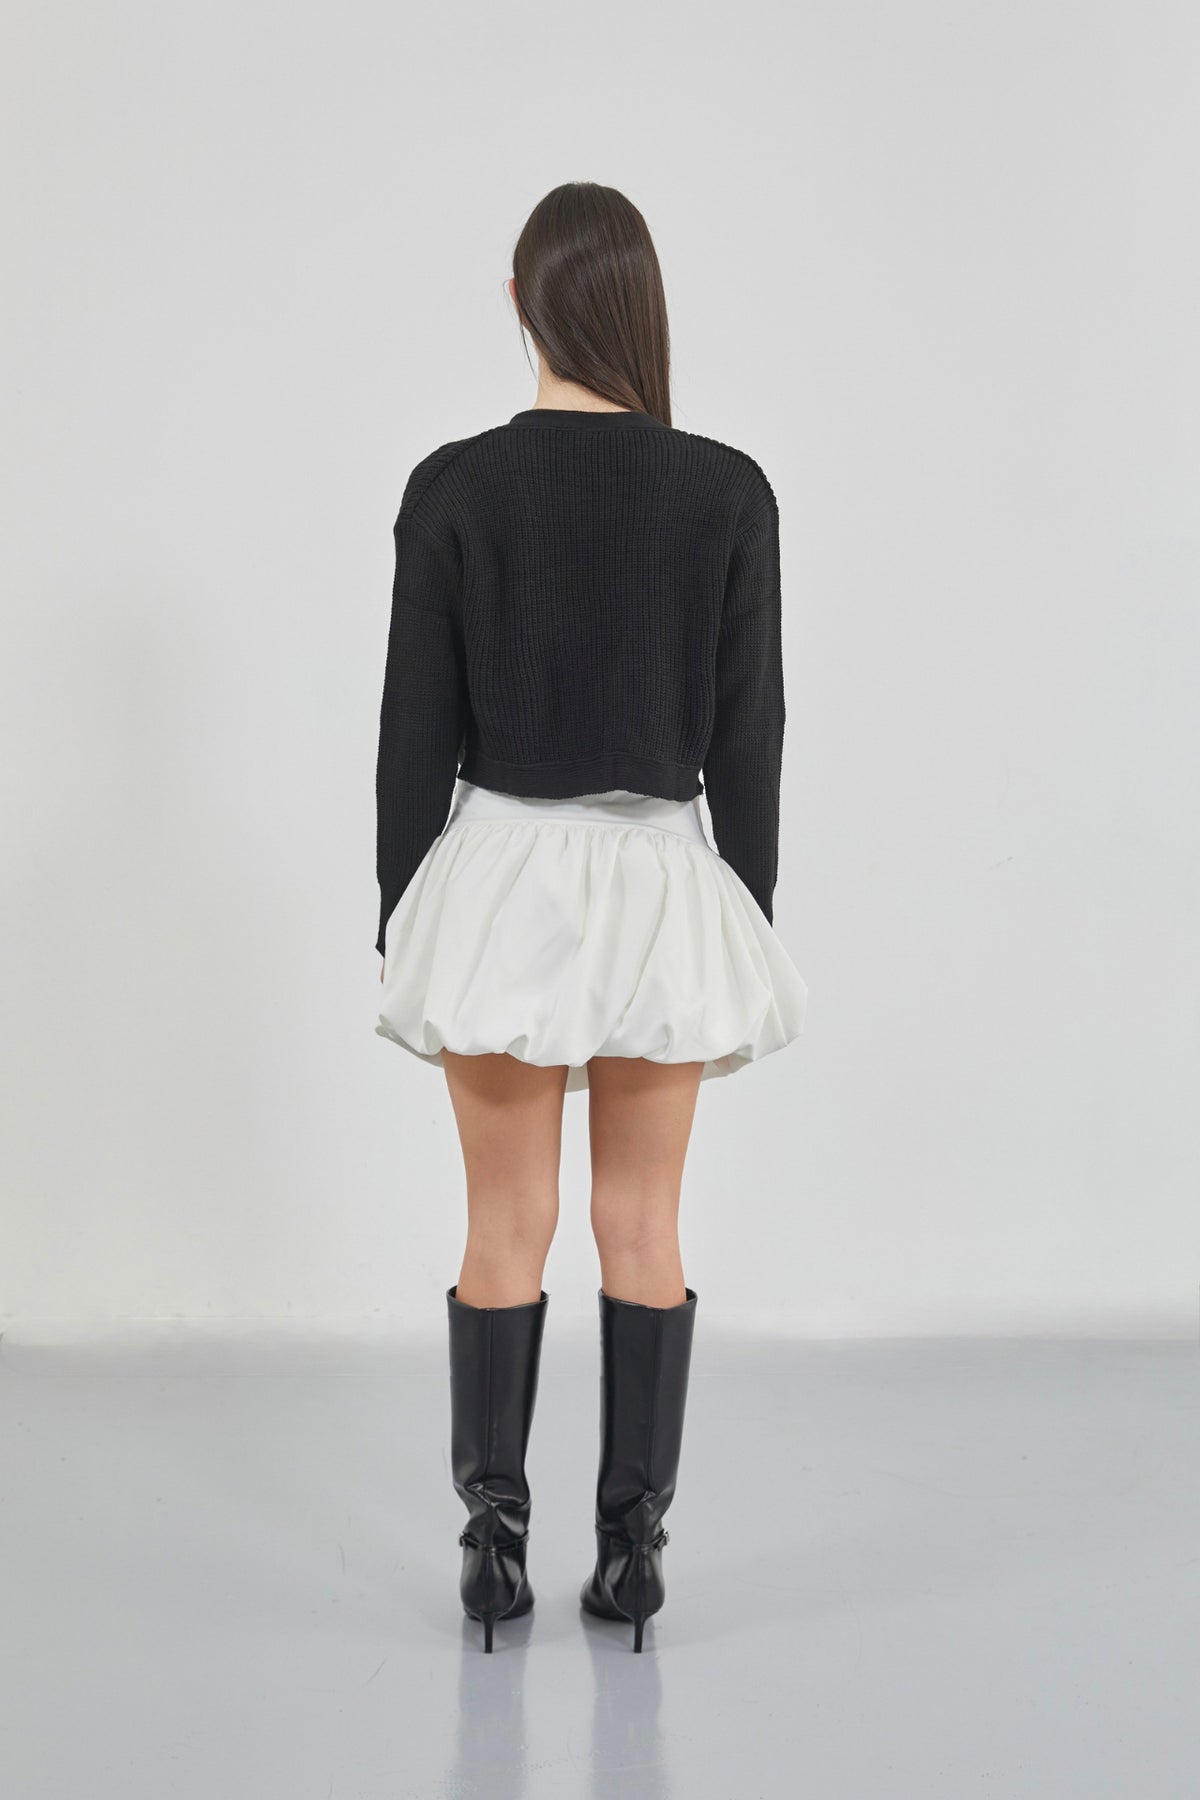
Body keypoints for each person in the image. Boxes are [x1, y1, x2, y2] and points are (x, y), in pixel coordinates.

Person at [373, 181, 809, 1654]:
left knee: (506, 1219)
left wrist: (404, 910)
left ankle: (492, 1555)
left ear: (521, 304)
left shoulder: (454, 487)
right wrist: (742, 909)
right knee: (643, 1219)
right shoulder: (727, 492)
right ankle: (634, 1560)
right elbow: (752, 732)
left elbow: (413, 728)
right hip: (659, 879)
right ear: (641, 304)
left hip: (500, 872)